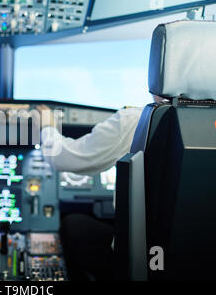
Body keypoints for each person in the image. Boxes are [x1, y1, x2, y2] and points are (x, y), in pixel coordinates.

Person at [37, 95, 163, 280]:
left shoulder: (137, 121)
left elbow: (61, 156)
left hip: (138, 262)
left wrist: (47, 126)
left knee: (72, 225)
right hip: (195, 259)